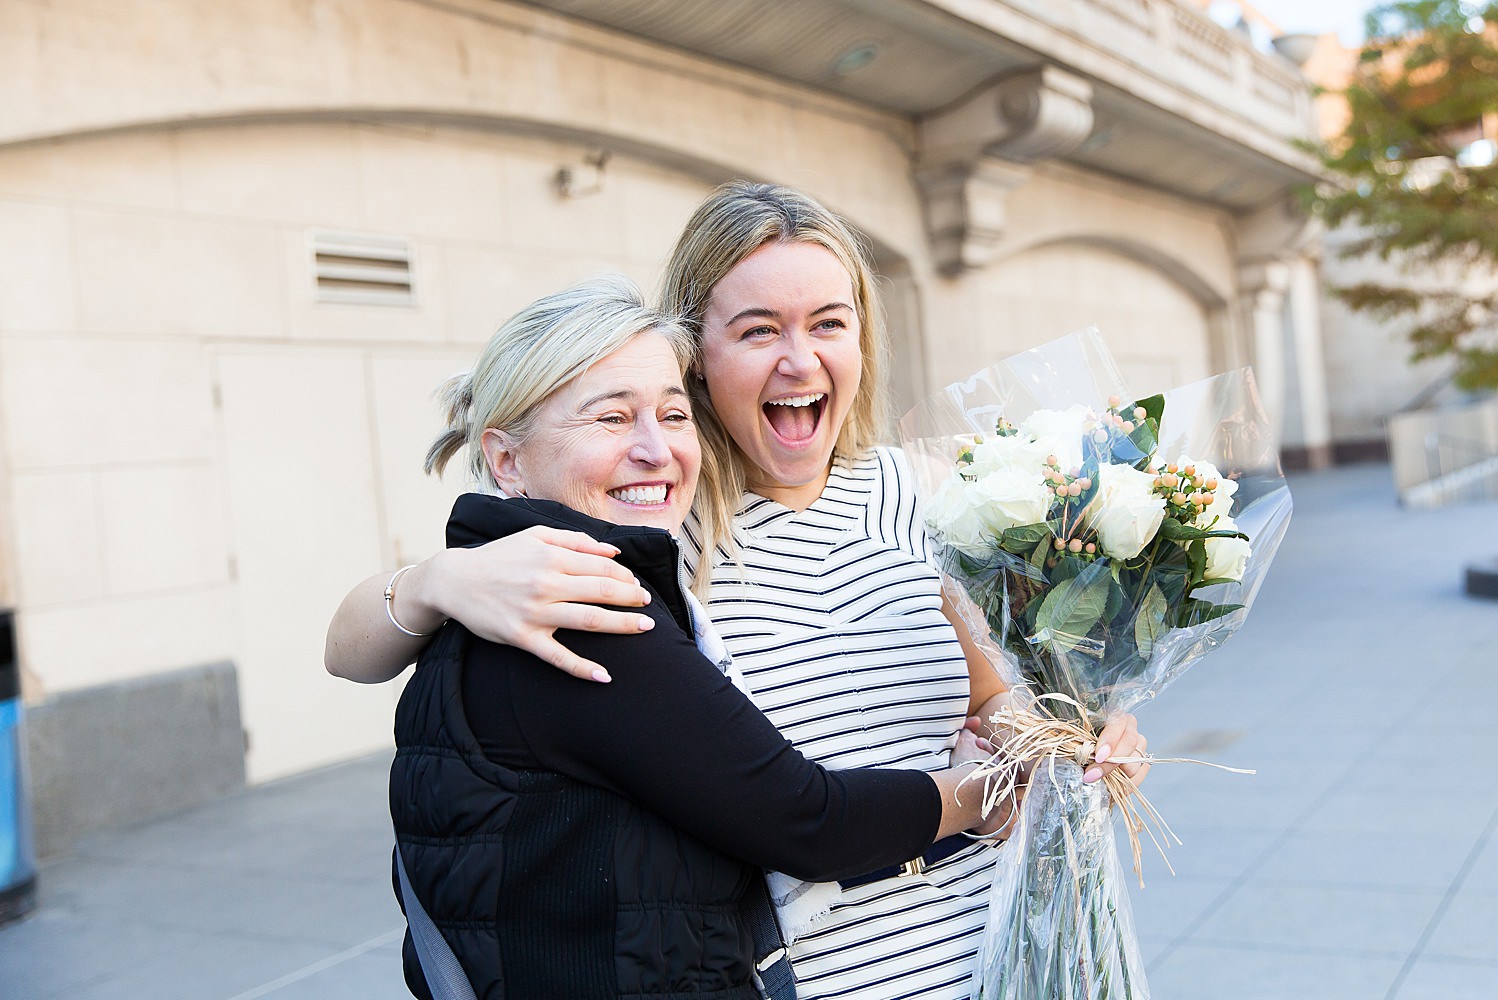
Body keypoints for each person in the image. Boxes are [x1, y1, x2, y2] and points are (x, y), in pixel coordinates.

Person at [330, 183, 1149, 1000]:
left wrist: (1064, 746)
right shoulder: (652, 530)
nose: (800, 359)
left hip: (1002, 948)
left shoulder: (933, 496)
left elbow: (994, 696)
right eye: (759, 330)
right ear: (698, 355)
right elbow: (347, 649)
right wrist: (441, 577)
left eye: (829, 322)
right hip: (823, 975)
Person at [388, 275, 1006, 1000]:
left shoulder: (520, 576)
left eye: (672, 414)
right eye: (611, 419)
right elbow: (806, 820)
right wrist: (987, 790)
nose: (656, 449)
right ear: (507, 459)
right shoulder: (584, 611)